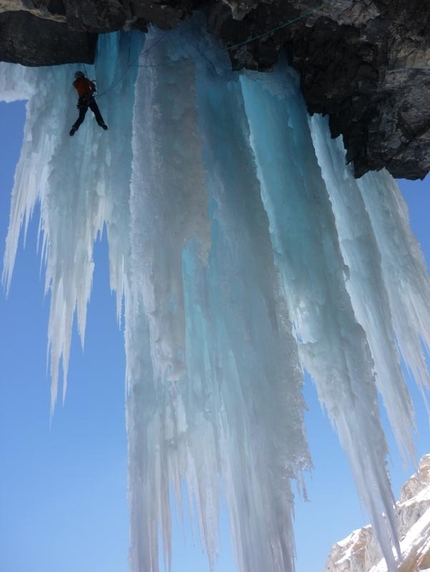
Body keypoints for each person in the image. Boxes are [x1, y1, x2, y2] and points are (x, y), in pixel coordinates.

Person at [69, 71, 108, 136]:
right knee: (96, 111)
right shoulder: (85, 80)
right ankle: (101, 123)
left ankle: (75, 127)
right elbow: (92, 85)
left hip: (82, 101)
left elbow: (77, 87)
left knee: (81, 117)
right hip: (89, 99)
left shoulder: (76, 83)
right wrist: (93, 89)